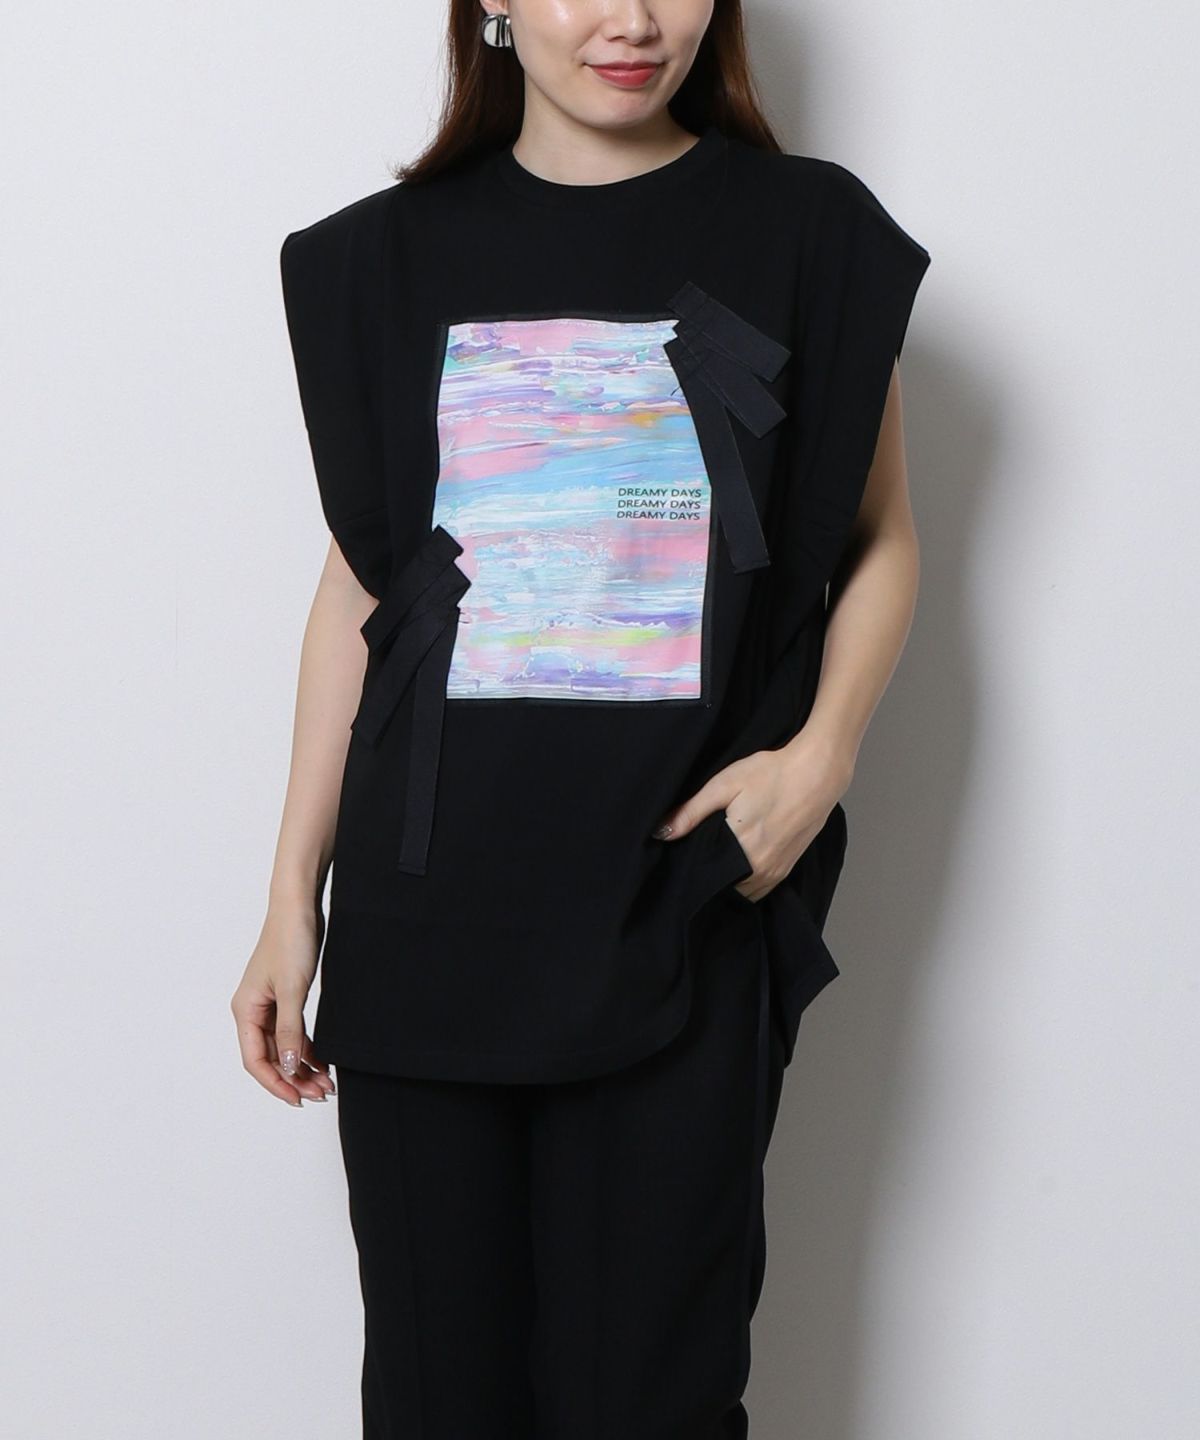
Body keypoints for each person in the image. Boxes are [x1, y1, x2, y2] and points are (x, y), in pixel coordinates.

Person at [231, 1, 931, 1434]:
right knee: (437, 1403)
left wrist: (819, 760)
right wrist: (292, 899)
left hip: (676, 909)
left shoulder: (806, 235)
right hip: (426, 930)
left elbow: (881, 537)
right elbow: (366, 588)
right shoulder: (380, 262)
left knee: (655, 1403)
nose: (632, 19)